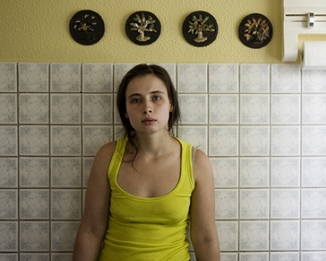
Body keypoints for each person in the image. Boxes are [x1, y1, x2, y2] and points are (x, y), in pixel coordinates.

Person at [73, 64, 220, 261]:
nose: (147, 108)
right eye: (136, 100)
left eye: (156, 97)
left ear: (171, 105)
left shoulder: (196, 162)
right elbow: (91, 230)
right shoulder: (107, 156)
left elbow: (205, 238)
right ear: (125, 111)